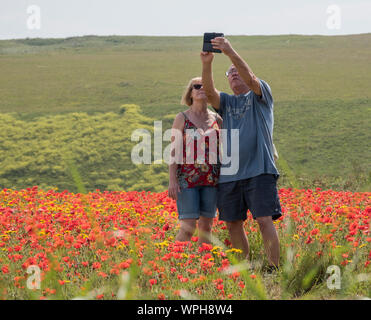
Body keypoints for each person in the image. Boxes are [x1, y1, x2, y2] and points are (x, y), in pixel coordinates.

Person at [200, 37, 282, 270]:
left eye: (237, 71)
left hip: (259, 169)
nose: (234, 74)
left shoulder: (260, 95)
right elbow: (209, 92)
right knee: (233, 223)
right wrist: (207, 64)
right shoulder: (226, 102)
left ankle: (273, 269)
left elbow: (252, 79)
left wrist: (230, 52)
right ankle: (243, 270)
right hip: (230, 174)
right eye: (230, 73)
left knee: (264, 220)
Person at [168, 77, 222, 246]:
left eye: (205, 86)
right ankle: (175, 259)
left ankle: (204, 262)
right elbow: (174, 149)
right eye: (196, 86)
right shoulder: (182, 117)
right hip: (187, 180)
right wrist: (172, 179)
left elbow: (224, 149)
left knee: (206, 226)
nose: (201, 88)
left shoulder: (217, 119)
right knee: (188, 227)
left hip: (212, 179)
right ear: (190, 93)